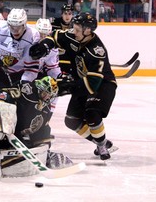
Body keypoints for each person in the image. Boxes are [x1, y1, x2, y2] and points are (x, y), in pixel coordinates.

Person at [29, 12, 117, 160]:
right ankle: (103, 141)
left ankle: (101, 146)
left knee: (91, 114)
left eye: (77, 30)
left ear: (87, 31)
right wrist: (44, 46)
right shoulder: (75, 35)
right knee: (71, 121)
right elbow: (55, 36)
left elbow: (92, 84)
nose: (73, 32)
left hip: (102, 85)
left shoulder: (96, 51)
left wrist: (67, 87)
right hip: (82, 81)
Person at [0, 76, 73, 181]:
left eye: (50, 96)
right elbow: (1, 95)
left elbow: (41, 130)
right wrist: (1, 112)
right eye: (46, 94)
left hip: (14, 133)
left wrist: (44, 151)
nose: (47, 98)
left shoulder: (44, 109)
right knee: (0, 131)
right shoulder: (26, 91)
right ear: (40, 89)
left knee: (31, 139)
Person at [0, 8, 40, 97]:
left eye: (18, 26)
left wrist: (24, 82)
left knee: (16, 107)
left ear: (24, 24)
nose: (16, 30)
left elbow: (32, 68)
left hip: (19, 73)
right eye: (12, 26)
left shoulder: (33, 37)